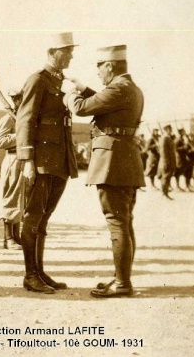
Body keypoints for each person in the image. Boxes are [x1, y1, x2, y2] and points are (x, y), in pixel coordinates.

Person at [66, 44, 145, 298]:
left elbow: (81, 108)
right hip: (125, 160)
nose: (98, 73)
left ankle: (123, 284)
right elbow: (103, 102)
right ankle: (122, 278)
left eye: (99, 67)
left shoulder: (119, 88)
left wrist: (70, 94)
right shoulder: (129, 88)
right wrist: (83, 88)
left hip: (113, 162)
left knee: (116, 222)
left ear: (110, 65)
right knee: (124, 222)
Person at [16, 32, 79, 293]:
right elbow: (25, 119)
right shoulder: (37, 80)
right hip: (41, 160)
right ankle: (30, 275)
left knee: (44, 218)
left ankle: (39, 272)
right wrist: (28, 160)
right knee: (33, 217)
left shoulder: (62, 82)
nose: (71, 55)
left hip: (59, 159)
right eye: (67, 50)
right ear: (52, 52)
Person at [0, 89, 24, 250]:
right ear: (16, 100)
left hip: (24, 160)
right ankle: (8, 238)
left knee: (21, 198)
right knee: (11, 197)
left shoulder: (25, 118)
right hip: (13, 159)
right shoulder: (8, 119)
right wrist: (20, 134)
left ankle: (17, 236)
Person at [158, 124, 176, 200]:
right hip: (166, 161)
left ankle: (166, 193)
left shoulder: (168, 138)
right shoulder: (164, 138)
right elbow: (163, 151)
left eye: (170, 129)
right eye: (169, 129)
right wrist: (166, 161)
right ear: (166, 130)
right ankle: (164, 194)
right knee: (165, 177)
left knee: (167, 177)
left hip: (169, 161)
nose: (170, 131)